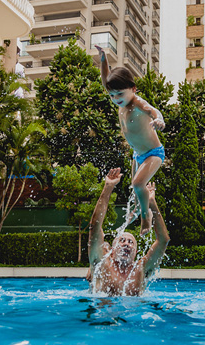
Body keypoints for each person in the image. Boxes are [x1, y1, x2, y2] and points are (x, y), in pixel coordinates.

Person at [96, 45, 165, 233]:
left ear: (133, 89)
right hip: (138, 154)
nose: (116, 98)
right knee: (134, 190)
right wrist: (103, 58)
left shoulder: (137, 102)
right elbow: (106, 79)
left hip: (154, 153)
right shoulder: (120, 98)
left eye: (120, 94)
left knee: (137, 184)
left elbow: (152, 110)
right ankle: (137, 209)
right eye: (112, 95)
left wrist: (159, 119)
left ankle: (146, 216)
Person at [88, 168, 170, 296]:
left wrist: (152, 204)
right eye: (122, 240)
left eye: (131, 242)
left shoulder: (141, 268)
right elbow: (94, 227)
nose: (127, 244)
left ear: (136, 252)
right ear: (112, 250)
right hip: (103, 315)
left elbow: (163, 240)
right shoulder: (102, 263)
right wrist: (108, 187)